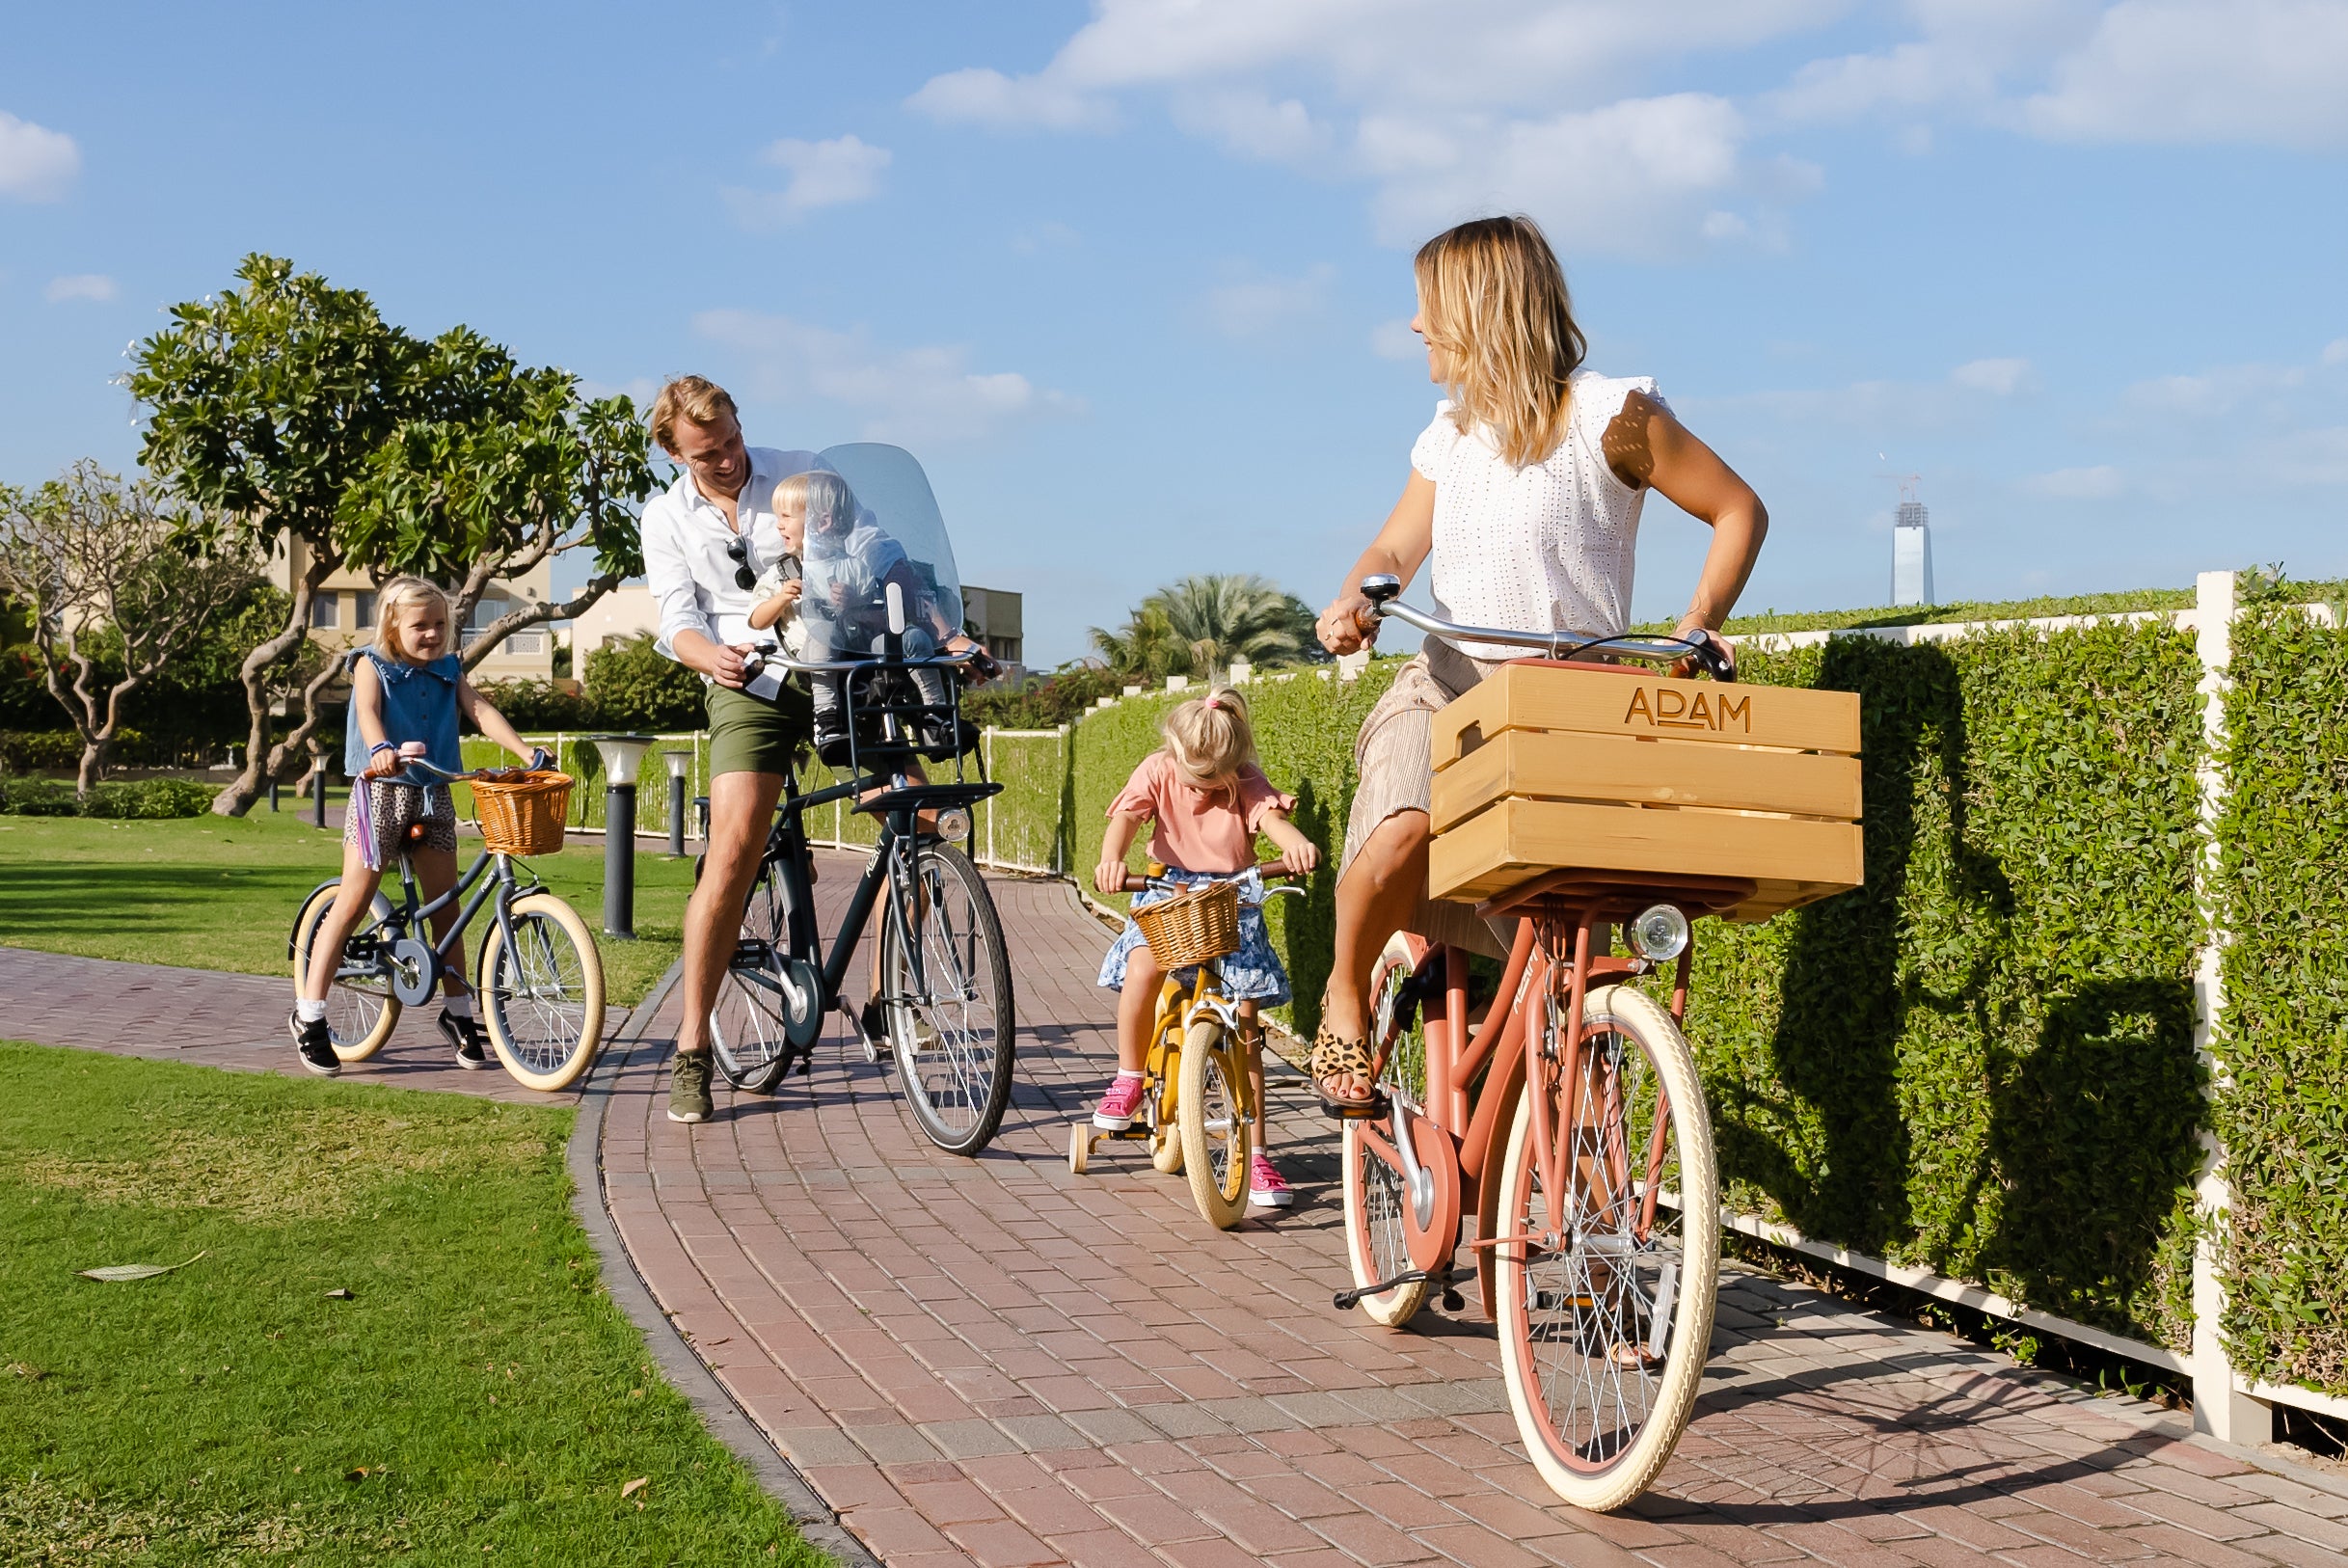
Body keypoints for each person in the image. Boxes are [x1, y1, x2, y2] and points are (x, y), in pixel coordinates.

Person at [1309, 214, 1768, 1111]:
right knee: (1401, 829)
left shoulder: (1613, 418)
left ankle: (1559, 1151)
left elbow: (1738, 509)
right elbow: (1396, 550)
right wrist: (1354, 602)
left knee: (1580, 943)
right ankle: (1341, 994)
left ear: (1478, 309)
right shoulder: (1448, 434)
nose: (1413, 327)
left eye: (1425, 306)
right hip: (1449, 683)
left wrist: (1698, 621)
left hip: (1570, 712)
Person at [639, 375, 828, 1124]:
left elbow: (878, 556)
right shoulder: (665, 517)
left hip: (830, 666)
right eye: (704, 455)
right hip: (745, 677)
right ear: (675, 455)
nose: (725, 461)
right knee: (733, 850)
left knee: (911, 813)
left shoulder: (803, 469)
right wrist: (705, 657)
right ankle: (691, 1047)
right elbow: (675, 618)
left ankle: (896, 994)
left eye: (730, 443)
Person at [288, 577, 545, 1076]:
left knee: (447, 908)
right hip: (381, 791)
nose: (432, 634)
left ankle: (458, 1014)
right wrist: (381, 748)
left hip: (434, 791)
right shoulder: (371, 664)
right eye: (420, 625)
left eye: (440, 625)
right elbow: (365, 711)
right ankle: (310, 1016)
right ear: (392, 625)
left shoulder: (450, 669)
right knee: (355, 900)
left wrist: (525, 752)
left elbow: (479, 710)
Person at [1091, 689, 1320, 1206]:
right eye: (1193, 778)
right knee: (1142, 966)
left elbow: (1271, 819)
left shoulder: (1244, 779)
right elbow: (1126, 819)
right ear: (1174, 754)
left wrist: (1295, 843)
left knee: (1247, 1026)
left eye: (1212, 781)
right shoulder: (1157, 769)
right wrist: (1112, 858)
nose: (1200, 789)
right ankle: (1128, 1075)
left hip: (1231, 896)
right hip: (1168, 893)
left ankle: (1258, 1152)